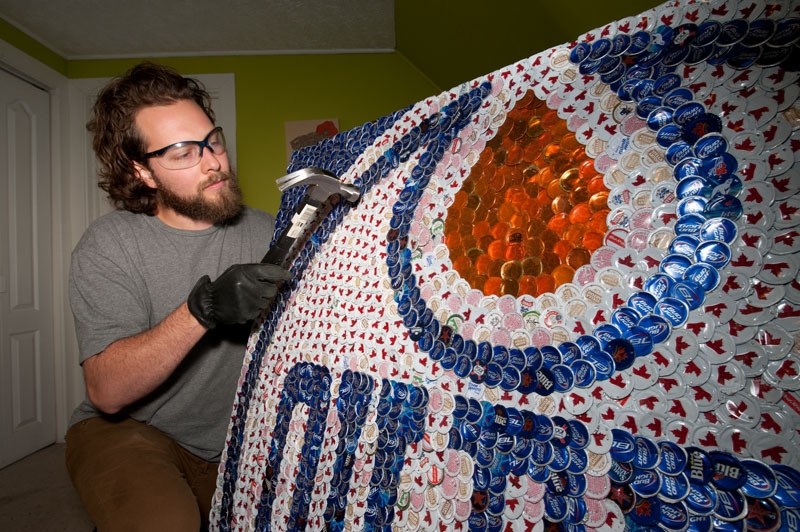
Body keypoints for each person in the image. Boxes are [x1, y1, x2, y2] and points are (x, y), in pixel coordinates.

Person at [65, 62, 290, 531]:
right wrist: (202, 311)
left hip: (236, 439)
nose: (214, 162)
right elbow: (106, 391)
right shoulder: (110, 244)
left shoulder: (271, 233)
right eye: (184, 152)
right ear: (142, 171)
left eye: (212, 141)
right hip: (130, 430)